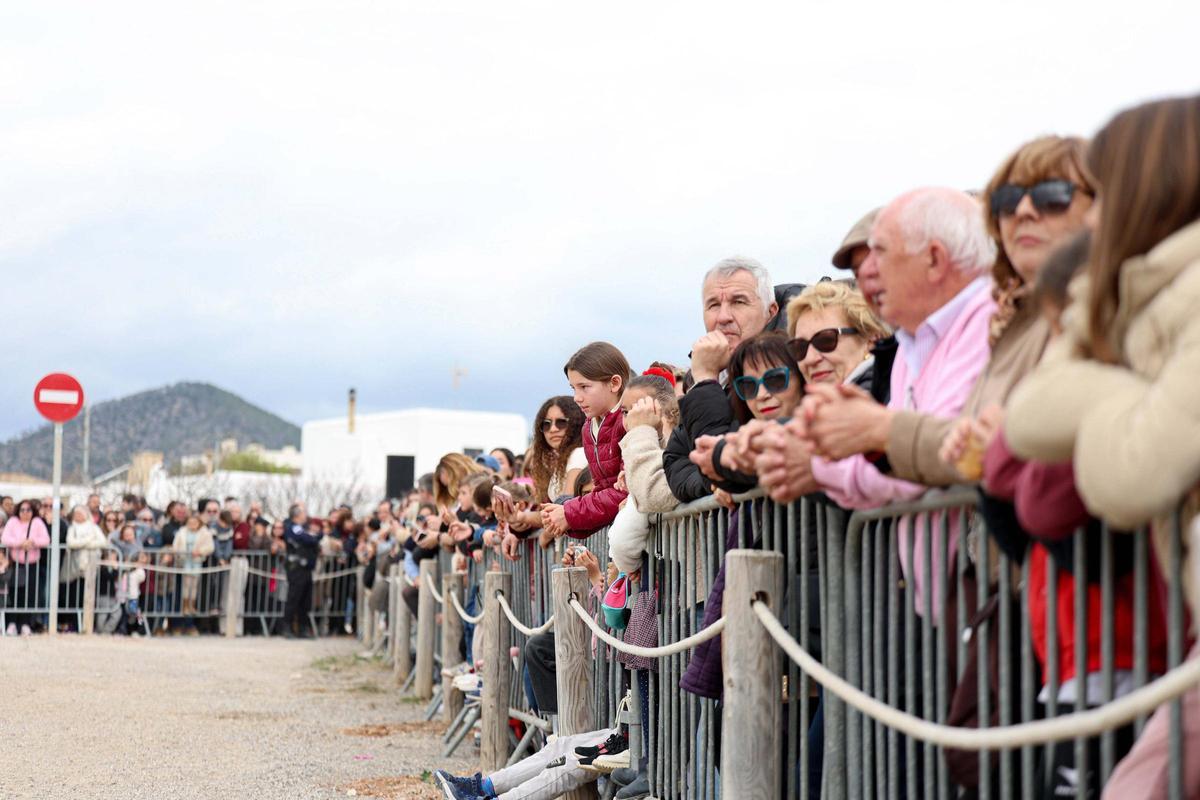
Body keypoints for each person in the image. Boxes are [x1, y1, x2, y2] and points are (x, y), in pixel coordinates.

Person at [1001, 94, 1200, 800]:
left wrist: (1095, 352)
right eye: (1009, 197)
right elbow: (1025, 426)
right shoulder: (1149, 293)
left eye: (1087, 192)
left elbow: (1127, 476)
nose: (1090, 218)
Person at [663, 257, 778, 503]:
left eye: (738, 302)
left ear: (771, 312)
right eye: (713, 305)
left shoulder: (788, 368)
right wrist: (714, 482)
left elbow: (720, 457)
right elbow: (676, 461)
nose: (723, 317)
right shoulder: (708, 372)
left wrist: (706, 381)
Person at [540, 342, 630, 541]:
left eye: (584, 387)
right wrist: (565, 518)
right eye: (573, 388)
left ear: (615, 383)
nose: (576, 398)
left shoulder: (630, 419)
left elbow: (627, 492)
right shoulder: (588, 428)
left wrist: (570, 513)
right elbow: (601, 491)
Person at [434, 726, 625, 800]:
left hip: (643, 744)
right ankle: (484, 787)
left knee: (574, 762)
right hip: (629, 730)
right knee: (560, 746)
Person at [2, 499, 50, 635]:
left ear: (32, 511)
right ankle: (11, 623)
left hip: (32, 564)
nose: (25, 512)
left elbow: (46, 540)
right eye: (22, 509)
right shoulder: (12, 522)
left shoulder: (37, 522)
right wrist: (20, 543)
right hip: (16, 564)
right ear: (18, 510)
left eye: (28, 510)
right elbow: (5, 538)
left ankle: (25, 624)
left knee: (30, 595)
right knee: (15, 594)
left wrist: (33, 542)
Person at [527, 396, 587, 504]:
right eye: (546, 424)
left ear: (576, 424)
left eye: (561, 423)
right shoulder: (561, 461)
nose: (553, 429)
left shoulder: (578, 454)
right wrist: (520, 516)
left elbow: (565, 509)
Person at [280, 503, 321, 638]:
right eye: (303, 513)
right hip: (296, 569)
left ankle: (303, 628)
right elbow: (307, 539)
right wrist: (314, 538)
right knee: (294, 598)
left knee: (305, 600)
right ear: (297, 515)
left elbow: (312, 539)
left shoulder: (303, 528)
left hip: (306, 568)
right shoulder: (293, 527)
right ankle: (287, 627)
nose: (306, 516)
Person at [172, 514, 213, 631]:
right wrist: (183, 553)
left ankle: (192, 605)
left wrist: (200, 551)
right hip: (185, 561)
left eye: (194, 523)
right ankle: (185, 605)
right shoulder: (182, 532)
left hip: (196, 561)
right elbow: (176, 546)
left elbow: (210, 546)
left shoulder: (204, 532)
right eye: (190, 522)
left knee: (194, 585)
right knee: (186, 584)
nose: (192, 525)